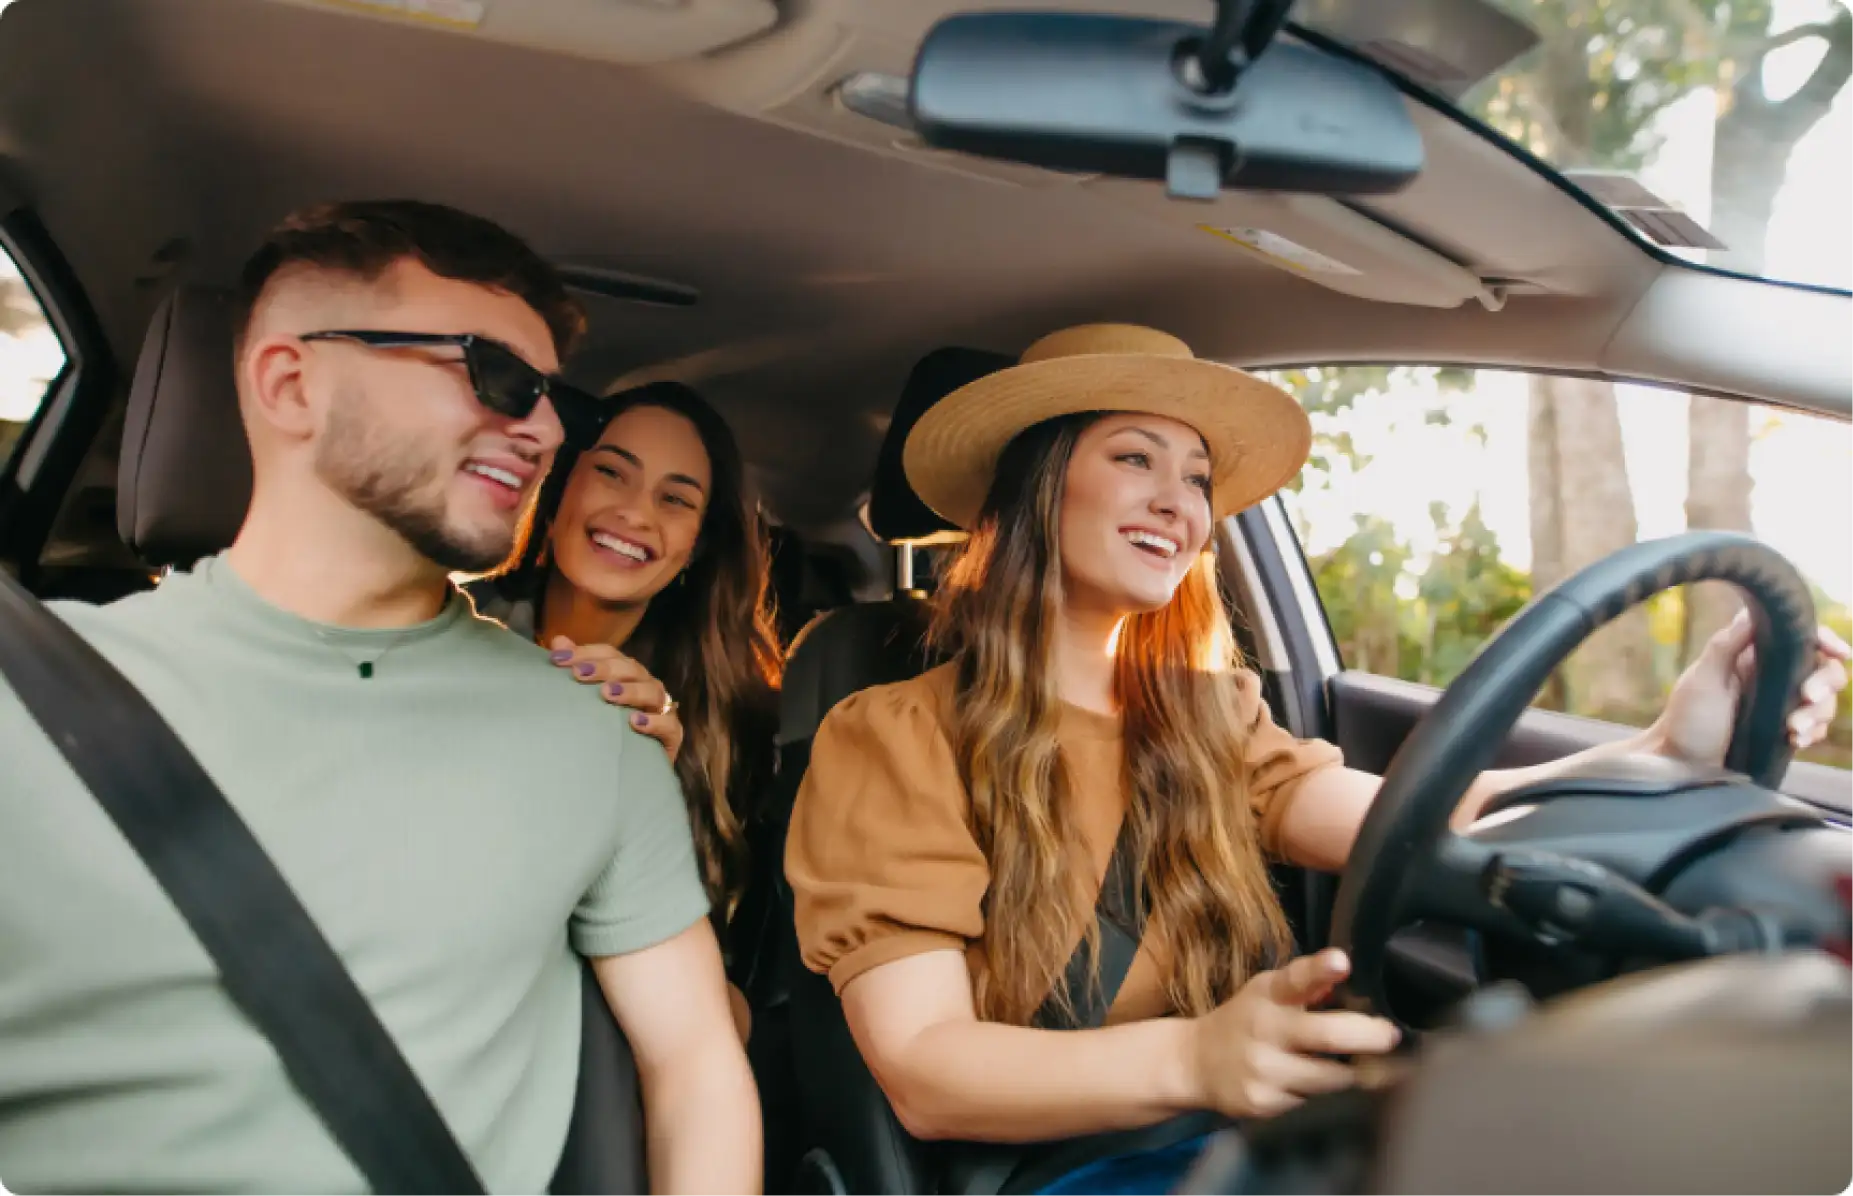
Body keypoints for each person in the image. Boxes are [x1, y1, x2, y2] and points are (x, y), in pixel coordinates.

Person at [783, 323, 1850, 1193]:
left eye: (1196, 476)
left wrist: (1669, 744)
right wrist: (1191, 1058)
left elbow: (1432, 815)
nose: (1178, 500)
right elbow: (924, 1066)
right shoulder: (892, 733)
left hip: (1262, 1134)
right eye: (1133, 458)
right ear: (1036, 487)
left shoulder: (1215, 714)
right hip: (1072, 1164)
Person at [0, 200, 759, 1195]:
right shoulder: (30, 696)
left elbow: (697, 1065)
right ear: (290, 381)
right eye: (493, 376)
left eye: (545, 399)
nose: (536, 429)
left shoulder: (597, 730)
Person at [469, 380, 783, 1038]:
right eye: (612, 473)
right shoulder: (452, 637)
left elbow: (729, 1010)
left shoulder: (733, 725)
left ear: (695, 547)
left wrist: (642, 794)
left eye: (674, 500)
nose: (636, 514)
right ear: (556, 497)